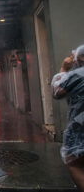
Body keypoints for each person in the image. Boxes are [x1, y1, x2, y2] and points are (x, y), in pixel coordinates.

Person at [52, 45, 84, 192]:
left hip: (80, 126)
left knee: (74, 162)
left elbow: (58, 92)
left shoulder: (77, 75)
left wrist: (64, 69)